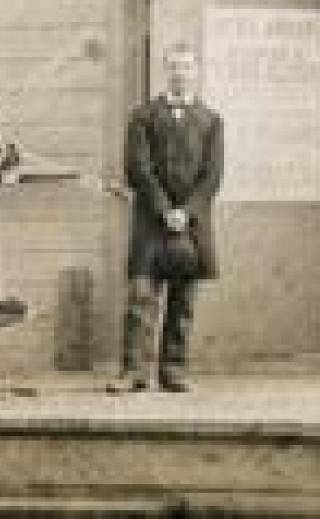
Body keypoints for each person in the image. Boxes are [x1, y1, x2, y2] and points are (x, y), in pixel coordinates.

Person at [109, 42, 223, 394]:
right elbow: (137, 169)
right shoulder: (142, 117)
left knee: (183, 302)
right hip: (150, 222)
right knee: (141, 300)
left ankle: (173, 371)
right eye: (174, 67)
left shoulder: (211, 121)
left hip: (193, 225)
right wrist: (163, 209)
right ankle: (134, 373)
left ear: (196, 72)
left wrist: (186, 213)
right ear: (165, 71)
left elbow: (212, 176)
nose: (180, 74)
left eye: (187, 67)